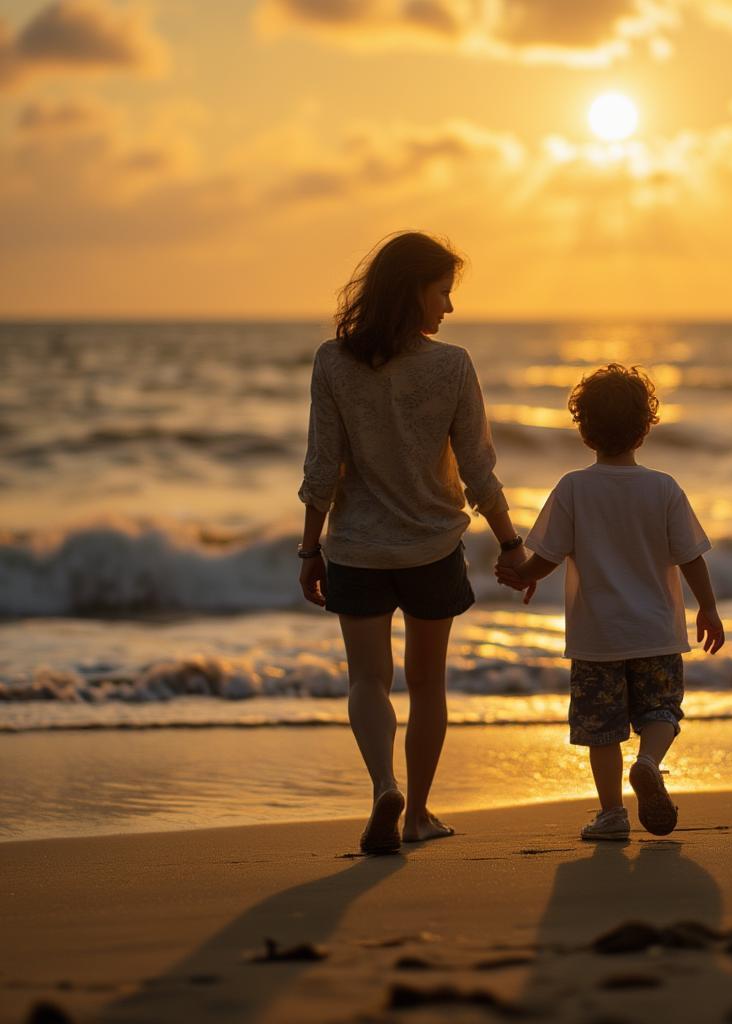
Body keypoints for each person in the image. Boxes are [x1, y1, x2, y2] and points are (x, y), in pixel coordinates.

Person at [297, 231, 531, 854]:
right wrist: (511, 544)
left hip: (356, 548)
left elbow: (323, 465)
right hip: (431, 547)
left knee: (367, 680)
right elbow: (478, 466)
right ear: (414, 292)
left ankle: (382, 786)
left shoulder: (332, 361)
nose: (448, 308)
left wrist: (308, 548)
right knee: (427, 683)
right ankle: (418, 814)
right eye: (443, 292)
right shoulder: (451, 365)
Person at [495, 364, 725, 841]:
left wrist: (522, 576)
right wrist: (708, 607)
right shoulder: (663, 487)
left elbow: (548, 556)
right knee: (662, 711)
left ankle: (612, 816)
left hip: (597, 636)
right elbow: (691, 557)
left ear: (584, 429)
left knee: (601, 731)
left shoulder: (574, 487)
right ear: (645, 427)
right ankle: (648, 762)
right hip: (657, 631)